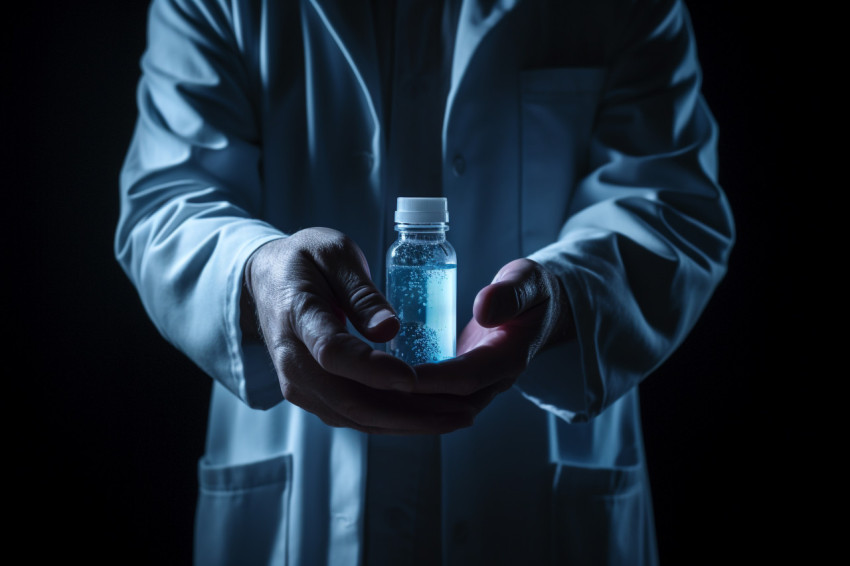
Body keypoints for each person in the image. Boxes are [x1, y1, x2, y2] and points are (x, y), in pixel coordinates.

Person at [115, 0, 734, 564]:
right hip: (299, 474)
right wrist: (258, 275)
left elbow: (672, 204)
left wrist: (565, 302)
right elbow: (166, 202)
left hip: (529, 477)